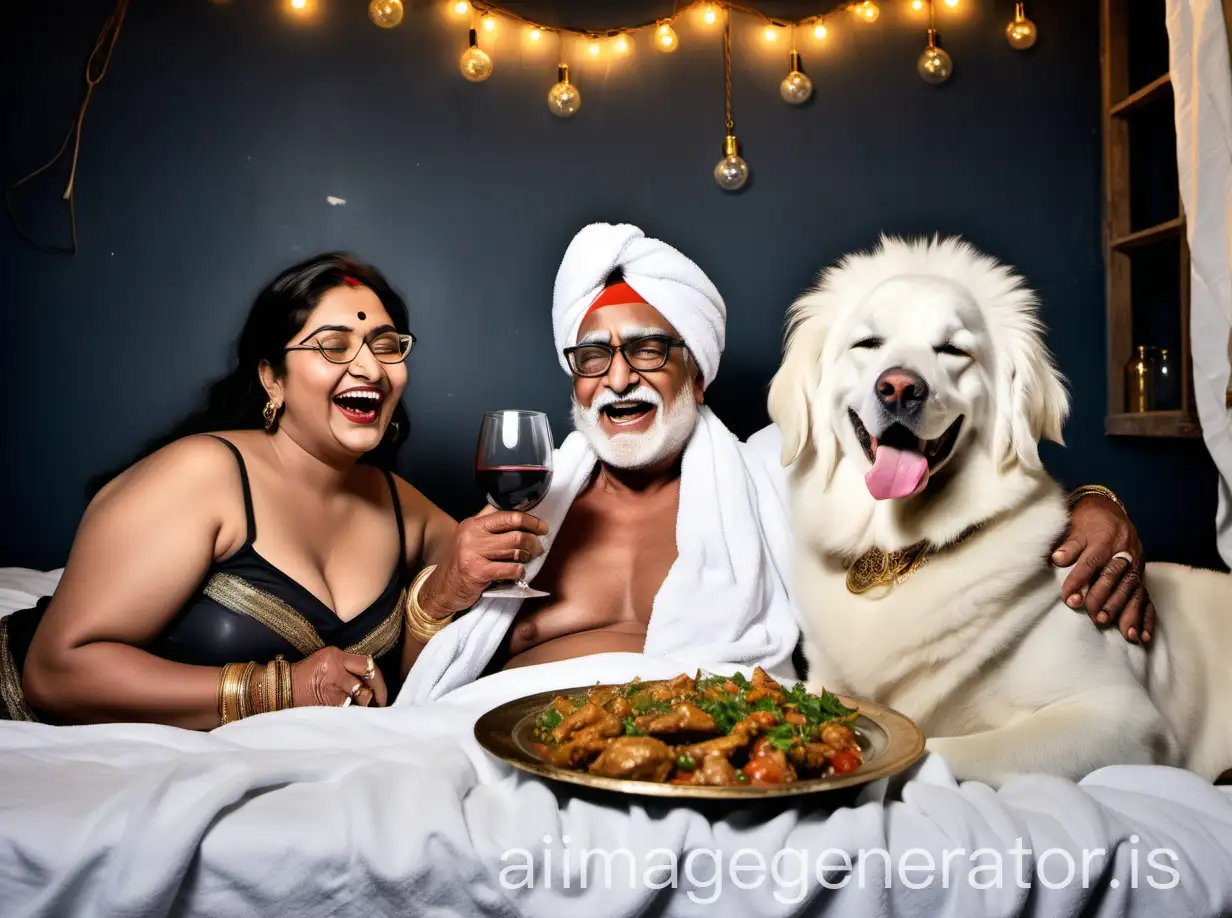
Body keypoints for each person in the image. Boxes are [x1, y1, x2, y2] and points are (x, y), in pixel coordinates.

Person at [399, 223, 1151, 704]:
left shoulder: (774, 471)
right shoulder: (534, 505)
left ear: (697, 370)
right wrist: (446, 590)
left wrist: (1092, 501)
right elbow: (418, 673)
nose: (619, 377)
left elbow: (949, 487)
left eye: (648, 349)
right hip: (500, 742)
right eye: (594, 357)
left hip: (701, 742)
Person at [7, 253, 539, 727]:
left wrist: (440, 597)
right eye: (333, 346)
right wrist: (286, 689)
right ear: (272, 378)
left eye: (386, 345)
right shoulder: (204, 474)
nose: (370, 367)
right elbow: (55, 674)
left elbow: (477, 642)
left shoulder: (406, 510)